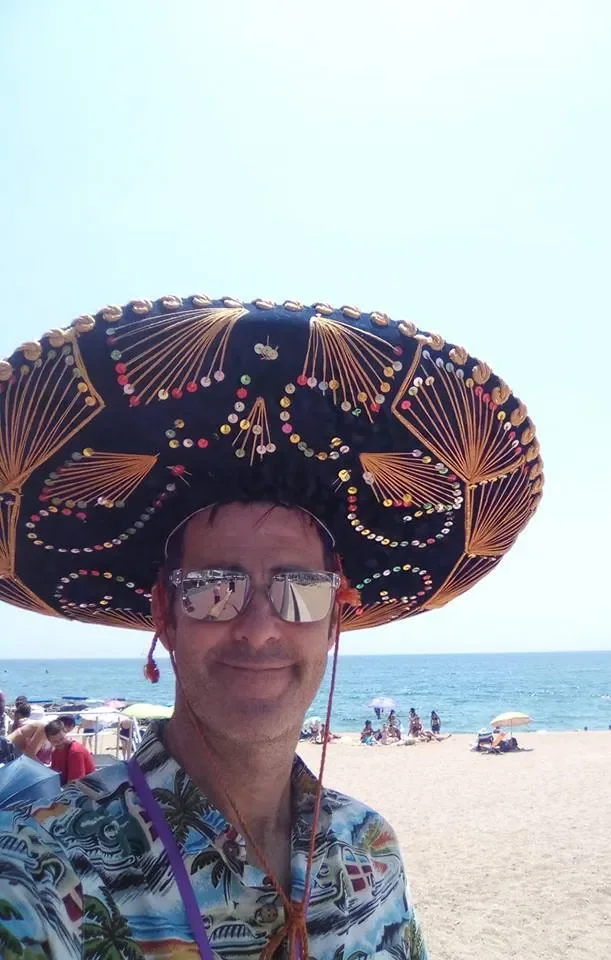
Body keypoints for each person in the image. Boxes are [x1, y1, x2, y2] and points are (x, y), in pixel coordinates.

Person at [0, 295, 541, 958]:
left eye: (300, 591)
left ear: (335, 618)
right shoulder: (43, 865)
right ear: (165, 615)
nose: (259, 629)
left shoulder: (369, 847)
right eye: (213, 589)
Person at [46, 719, 97, 785]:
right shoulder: (55, 752)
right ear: (49, 740)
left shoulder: (75, 751)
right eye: (55, 741)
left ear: (66, 732)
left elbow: (76, 782)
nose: (59, 743)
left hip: (86, 789)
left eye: (61, 739)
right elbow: (56, 775)